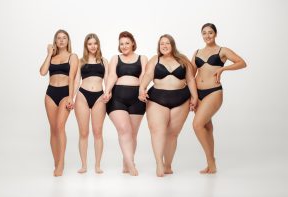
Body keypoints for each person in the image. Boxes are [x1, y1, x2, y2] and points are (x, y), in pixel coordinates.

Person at [139, 34, 198, 177]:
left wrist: (195, 97)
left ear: (172, 45)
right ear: (159, 47)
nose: (164, 46)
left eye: (167, 43)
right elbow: (147, 75)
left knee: (172, 134)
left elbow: (190, 79)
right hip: (157, 99)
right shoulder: (155, 59)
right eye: (161, 44)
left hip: (181, 99)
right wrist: (142, 88)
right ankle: (159, 163)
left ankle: (168, 165)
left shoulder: (183, 60)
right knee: (157, 131)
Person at [191, 23, 246, 174]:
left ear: (215, 34)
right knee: (206, 127)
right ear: (201, 35)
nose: (207, 36)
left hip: (213, 92)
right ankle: (211, 163)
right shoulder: (197, 52)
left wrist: (223, 68)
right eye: (204, 33)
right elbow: (190, 74)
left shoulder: (222, 50)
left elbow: (242, 63)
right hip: (198, 93)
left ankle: (211, 161)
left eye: (210, 33)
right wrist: (191, 95)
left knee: (197, 125)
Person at [103, 31, 148, 176]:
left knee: (133, 134)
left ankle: (127, 161)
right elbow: (112, 75)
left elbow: (144, 77)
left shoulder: (143, 58)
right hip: (117, 98)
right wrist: (107, 91)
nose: (124, 46)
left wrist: (142, 91)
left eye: (127, 43)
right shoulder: (115, 58)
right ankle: (131, 164)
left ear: (133, 43)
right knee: (124, 130)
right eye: (121, 43)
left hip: (137, 99)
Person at [39, 29, 78, 176]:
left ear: (68, 41)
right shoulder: (52, 57)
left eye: (64, 38)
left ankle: (61, 163)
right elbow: (42, 72)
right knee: (53, 129)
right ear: (55, 41)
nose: (61, 40)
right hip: (50, 94)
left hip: (64, 94)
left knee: (60, 127)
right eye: (59, 38)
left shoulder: (72, 57)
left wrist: (70, 97)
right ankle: (56, 161)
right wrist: (49, 53)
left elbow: (73, 78)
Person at [73, 33, 108, 174]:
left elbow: (107, 79)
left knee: (98, 132)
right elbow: (76, 81)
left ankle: (97, 165)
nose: (92, 46)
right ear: (86, 46)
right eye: (89, 44)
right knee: (83, 133)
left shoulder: (104, 61)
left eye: (95, 43)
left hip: (99, 97)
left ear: (98, 45)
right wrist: (71, 97)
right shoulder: (81, 61)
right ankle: (84, 165)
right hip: (82, 96)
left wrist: (108, 92)